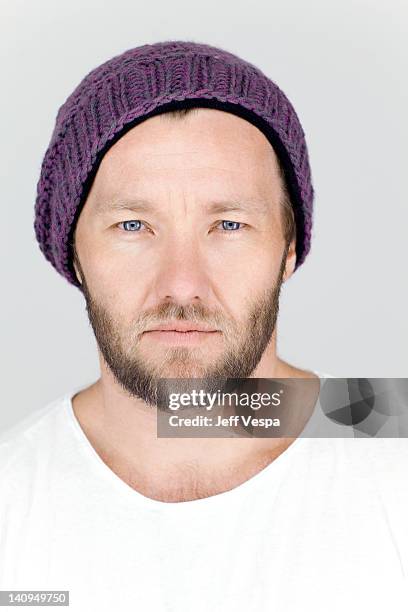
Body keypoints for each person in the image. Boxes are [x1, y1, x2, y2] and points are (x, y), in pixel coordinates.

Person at [0, 40, 407, 611]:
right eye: (133, 225)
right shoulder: (10, 499)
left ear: (288, 248)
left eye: (230, 224)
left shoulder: (392, 444)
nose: (183, 284)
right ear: (74, 254)